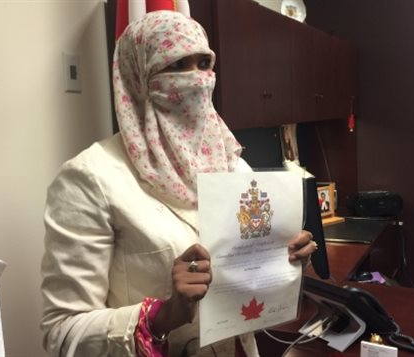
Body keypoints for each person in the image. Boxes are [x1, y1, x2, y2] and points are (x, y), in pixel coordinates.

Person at [40, 10, 316, 357]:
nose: (198, 79)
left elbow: (247, 289)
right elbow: (61, 334)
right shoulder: (90, 179)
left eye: (204, 63)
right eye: (178, 65)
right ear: (139, 76)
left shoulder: (234, 165)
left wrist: (282, 262)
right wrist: (161, 316)